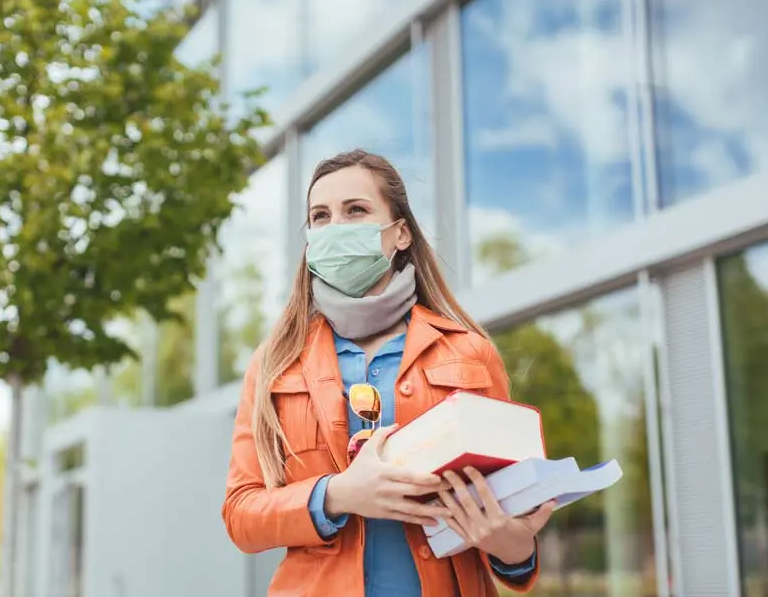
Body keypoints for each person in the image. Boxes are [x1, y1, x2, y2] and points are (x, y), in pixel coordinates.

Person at [221, 149, 554, 596]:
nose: (335, 227)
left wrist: (511, 546)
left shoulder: (469, 351)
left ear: (399, 234)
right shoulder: (275, 362)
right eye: (320, 216)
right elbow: (242, 515)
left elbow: (512, 517)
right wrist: (336, 494)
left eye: (355, 210)